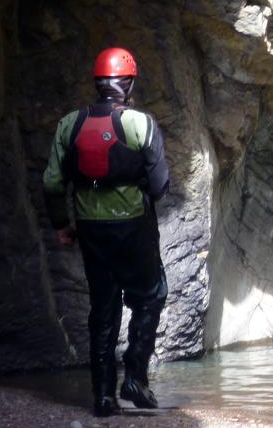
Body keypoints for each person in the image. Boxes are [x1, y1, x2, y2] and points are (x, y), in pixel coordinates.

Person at [42, 47, 170, 417]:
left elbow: (52, 182)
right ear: (127, 84)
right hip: (132, 227)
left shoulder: (70, 124)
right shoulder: (141, 124)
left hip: (90, 229)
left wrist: (61, 225)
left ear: (98, 83)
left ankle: (102, 397)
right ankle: (135, 375)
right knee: (151, 294)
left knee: (103, 308)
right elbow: (160, 186)